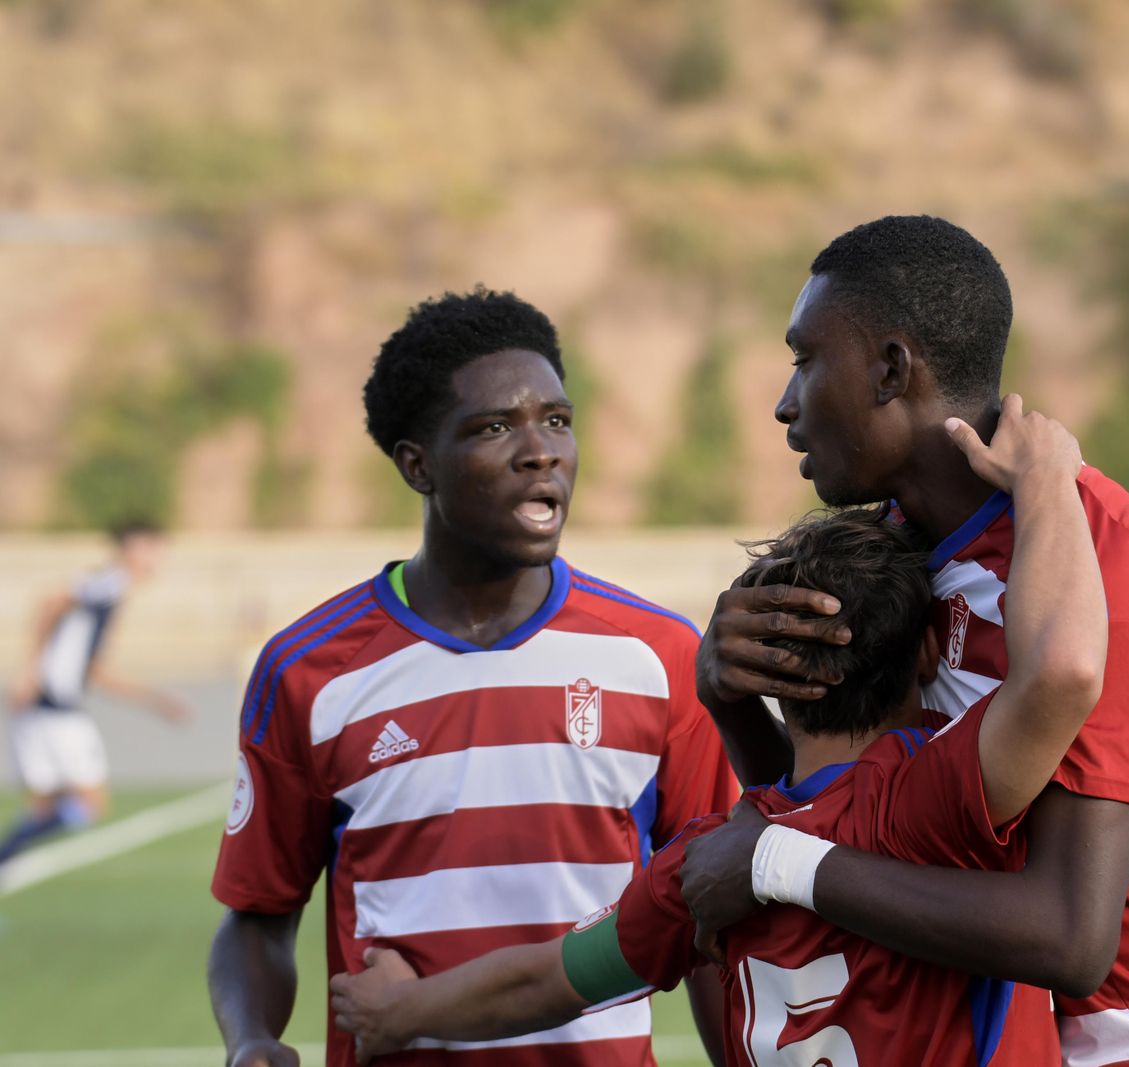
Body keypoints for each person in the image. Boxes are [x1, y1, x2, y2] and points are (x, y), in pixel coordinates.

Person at [685, 215, 1129, 1067]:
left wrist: (770, 859)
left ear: (892, 369)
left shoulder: (1096, 559)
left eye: (805, 359)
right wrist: (729, 699)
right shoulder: (894, 550)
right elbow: (845, 819)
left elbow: (1071, 937)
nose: (786, 404)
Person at [327, 398, 1107, 1067]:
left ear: (761, 671)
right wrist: (1046, 480)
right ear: (931, 653)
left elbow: (546, 980)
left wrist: (400, 1010)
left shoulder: (706, 864)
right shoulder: (931, 801)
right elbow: (1064, 673)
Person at [206, 287, 740, 1067]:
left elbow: (711, 918)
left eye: (557, 420)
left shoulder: (659, 656)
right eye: (495, 427)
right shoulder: (309, 670)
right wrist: (251, 1038)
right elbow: (259, 916)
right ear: (417, 464)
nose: (541, 451)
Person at [1, 520, 190, 865]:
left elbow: (93, 668)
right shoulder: (109, 583)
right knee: (90, 804)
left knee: (44, 809)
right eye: (153, 549)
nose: (158, 559)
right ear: (132, 548)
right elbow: (52, 601)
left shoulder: (111, 594)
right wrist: (30, 668)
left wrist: (156, 701)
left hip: (43, 708)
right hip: (57, 709)